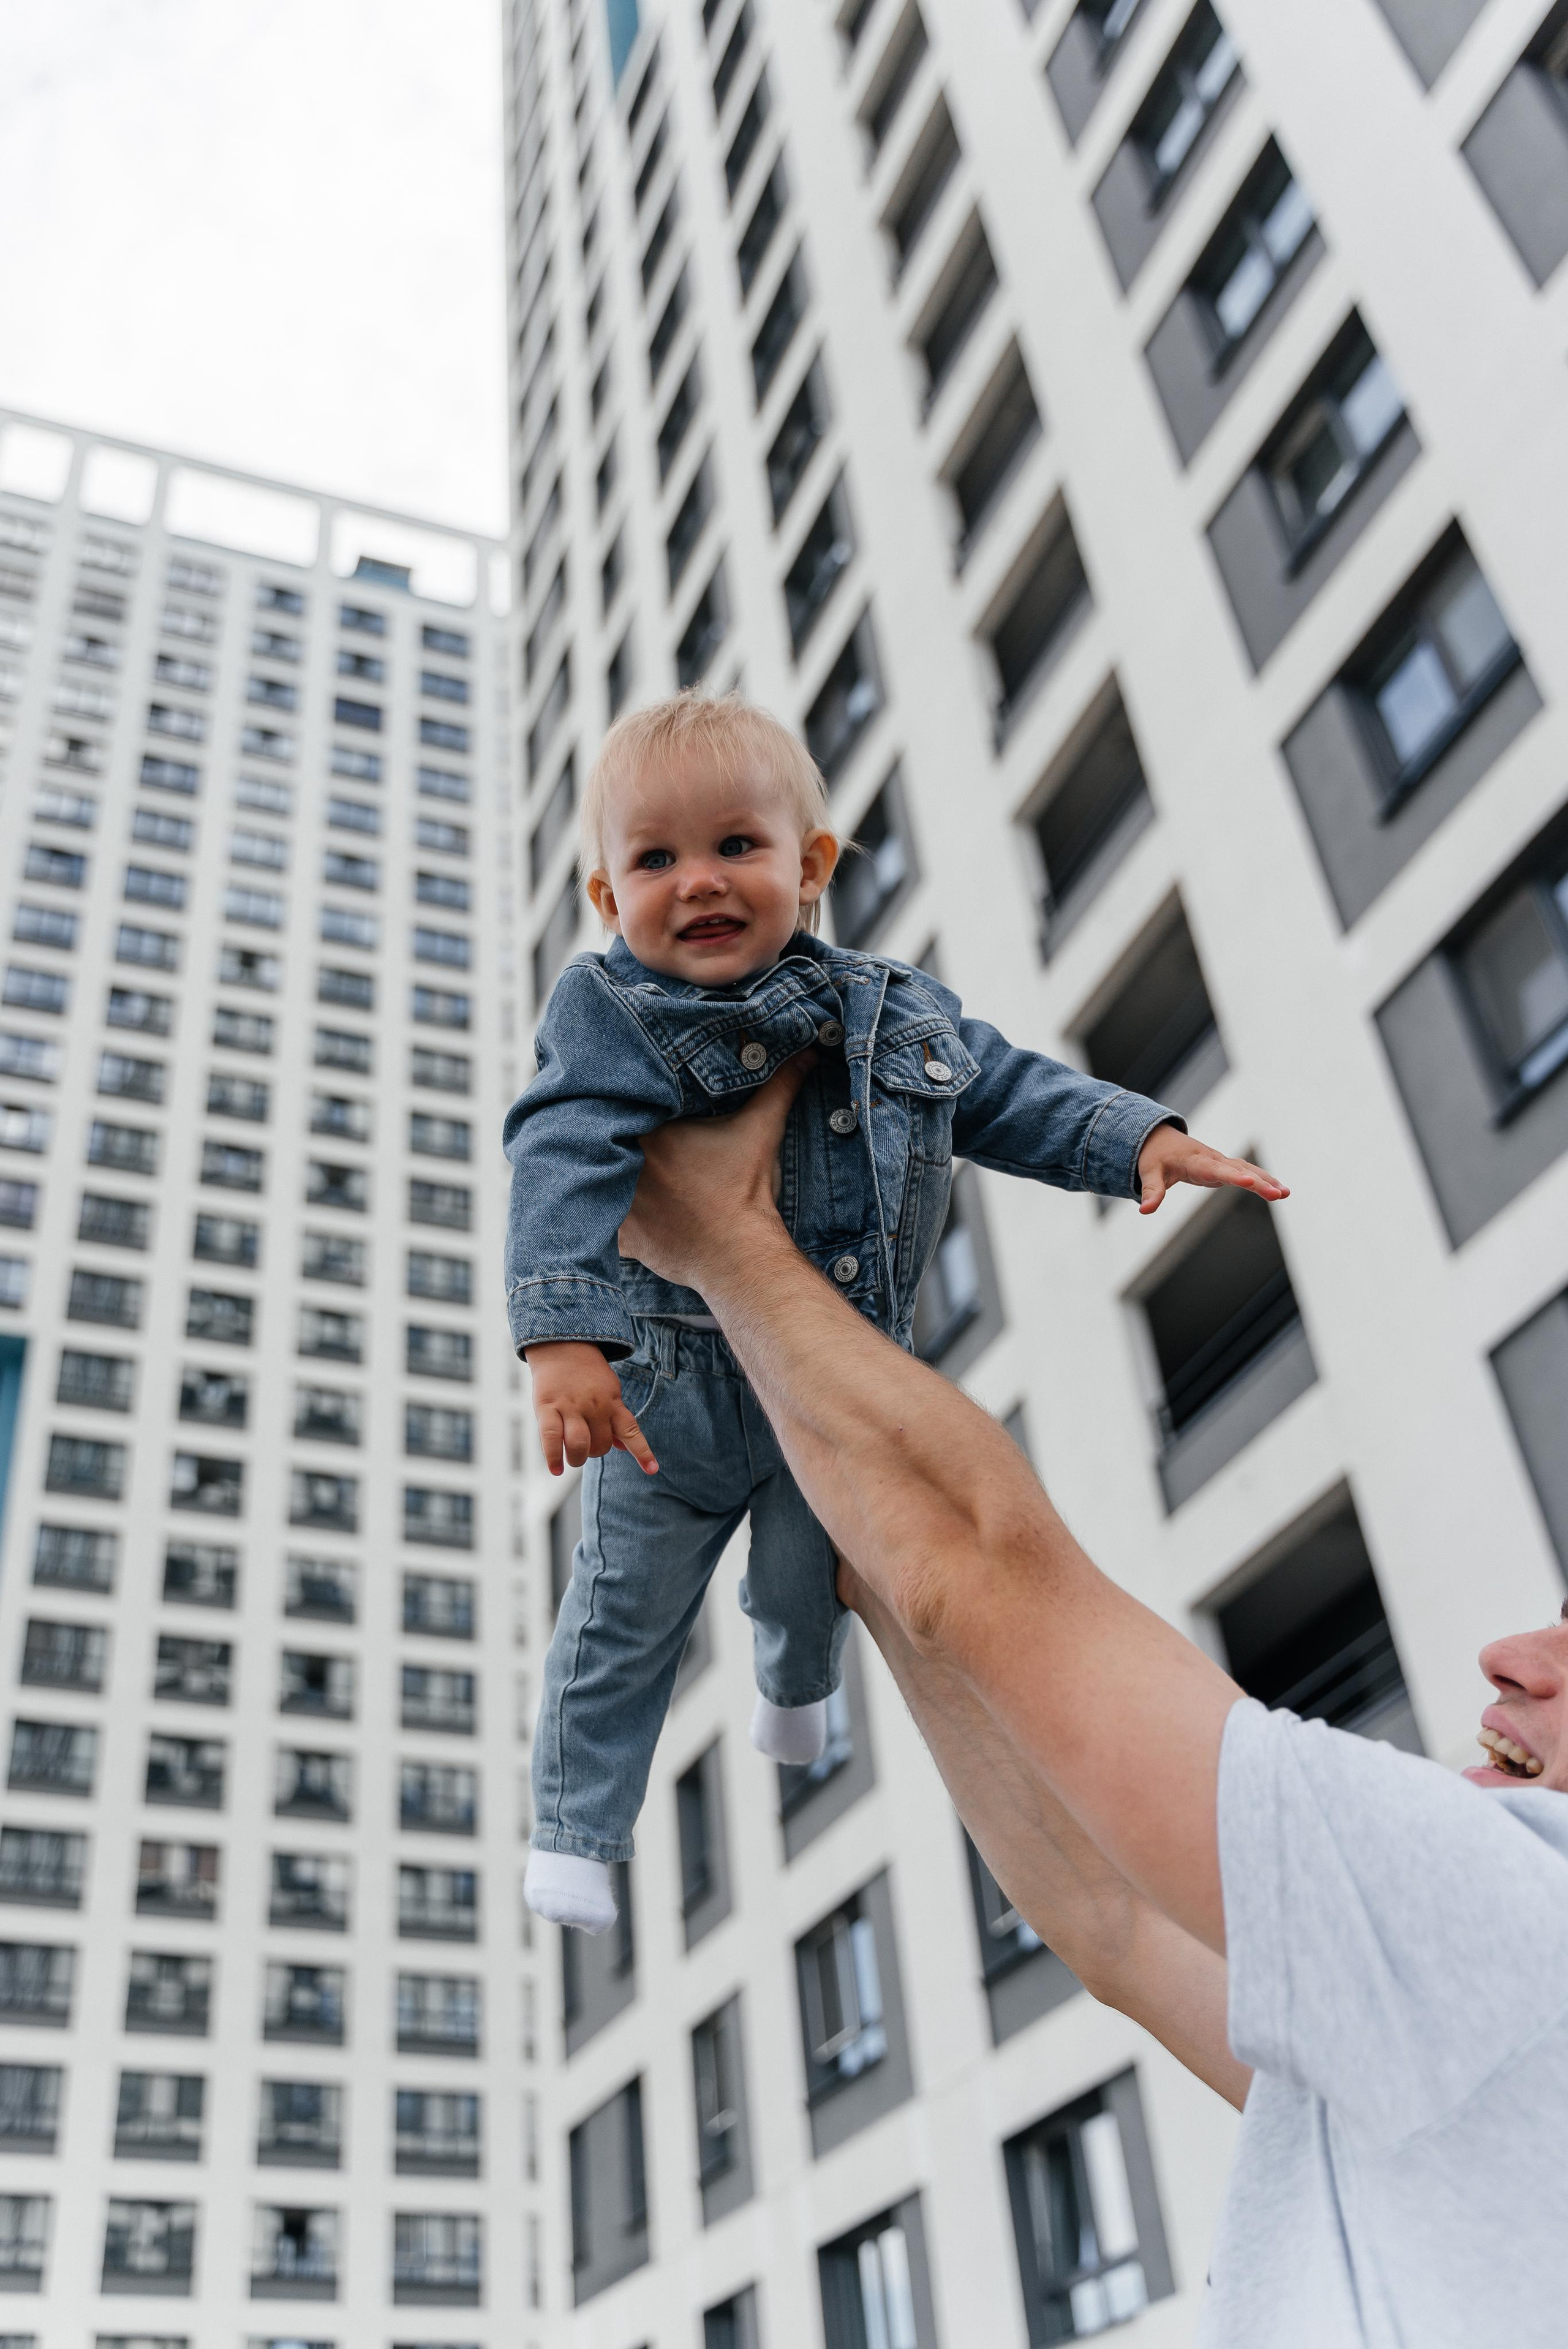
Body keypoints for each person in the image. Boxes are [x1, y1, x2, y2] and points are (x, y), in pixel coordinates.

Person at [616, 1059, 1568, 2349]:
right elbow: (1105, 1916)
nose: (1508, 1656)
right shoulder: (1466, 2028)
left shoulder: (1520, 1920)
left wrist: (726, 1245)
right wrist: (849, 1522)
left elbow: (987, 1567)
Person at [503, 690, 1284, 1932]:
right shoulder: (608, 1013)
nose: (697, 882)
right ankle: (575, 1833)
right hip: (666, 1398)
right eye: (653, 860)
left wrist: (1138, 1134)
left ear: (806, 867)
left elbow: (1007, 1092)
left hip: (829, 1379)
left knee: (814, 1571)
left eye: (734, 847)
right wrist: (560, 1339)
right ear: (607, 903)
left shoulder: (890, 1012)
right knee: (618, 1617)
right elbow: (560, 1155)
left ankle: (794, 1688)